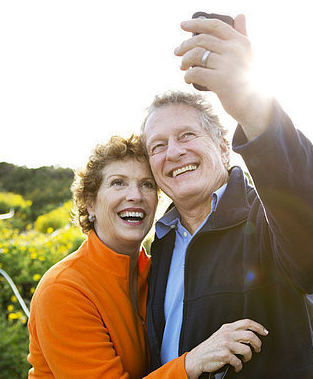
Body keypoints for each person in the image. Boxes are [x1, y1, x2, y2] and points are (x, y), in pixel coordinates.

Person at [142, 15, 313, 378]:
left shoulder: (267, 220)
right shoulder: (158, 246)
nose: (173, 152)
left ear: (224, 148)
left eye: (187, 136)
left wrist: (252, 107)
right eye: (157, 146)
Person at [27, 134, 268, 378]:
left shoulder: (158, 273)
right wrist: (192, 362)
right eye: (118, 182)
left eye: (147, 184)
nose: (136, 196)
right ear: (90, 203)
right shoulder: (63, 289)